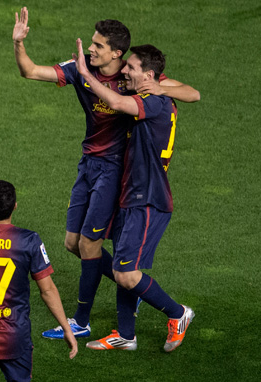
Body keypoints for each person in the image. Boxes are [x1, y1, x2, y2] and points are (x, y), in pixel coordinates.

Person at [12, 7, 200, 340]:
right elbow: (28, 72)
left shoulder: (133, 81)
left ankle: (81, 321)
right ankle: (135, 288)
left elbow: (192, 93)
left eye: (98, 45)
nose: (90, 49)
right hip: (88, 163)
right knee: (72, 243)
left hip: (116, 170)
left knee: (89, 244)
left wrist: (163, 89)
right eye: (92, 44)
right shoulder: (82, 68)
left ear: (117, 52)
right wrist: (19, 44)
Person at [73, 39, 194, 351]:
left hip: (148, 199)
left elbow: (116, 104)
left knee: (126, 273)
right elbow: (191, 92)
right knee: (124, 265)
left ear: (150, 76)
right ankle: (126, 334)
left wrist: (86, 74)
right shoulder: (153, 91)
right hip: (131, 195)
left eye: (131, 67)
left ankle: (178, 313)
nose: (124, 70)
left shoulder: (154, 102)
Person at [0, 180, 78, 382]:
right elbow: (47, 290)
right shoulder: (29, 240)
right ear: (15, 206)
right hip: (15, 338)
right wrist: (67, 328)